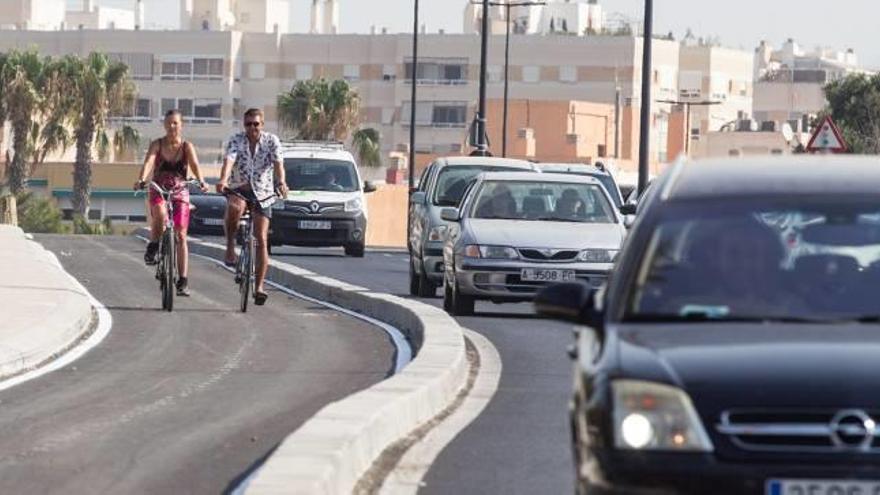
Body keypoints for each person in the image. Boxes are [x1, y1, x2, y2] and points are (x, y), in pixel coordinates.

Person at [216, 108, 289, 306]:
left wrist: (281, 182)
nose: (252, 128)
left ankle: (259, 287)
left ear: (262, 124)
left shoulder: (271, 141)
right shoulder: (236, 140)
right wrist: (223, 180)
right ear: (244, 125)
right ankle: (230, 245)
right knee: (234, 208)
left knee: (262, 239)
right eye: (248, 124)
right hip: (240, 188)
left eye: (256, 124)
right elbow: (229, 161)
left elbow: (278, 165)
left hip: (263, 193)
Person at [133, 109, 208, 297]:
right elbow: (149, 162)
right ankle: (154, 244)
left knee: (181, 235)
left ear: (181, 125)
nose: (172, 126)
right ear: (164, 125)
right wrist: (142, 179)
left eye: (175, 123)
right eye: (168, 123)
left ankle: (182, 280)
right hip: (159, 188)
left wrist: (201, 181)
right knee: (159, 212)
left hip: (179, 191)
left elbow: (195, 166)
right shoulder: (157, 144)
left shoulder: (186, 147)